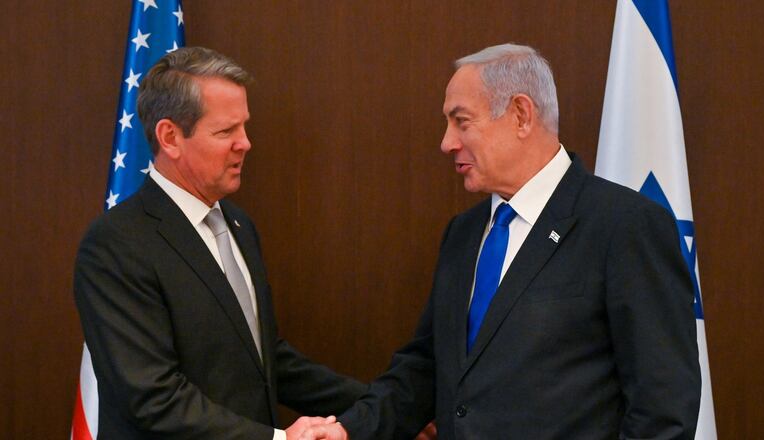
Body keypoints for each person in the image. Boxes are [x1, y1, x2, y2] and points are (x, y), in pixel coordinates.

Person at [300, 44, 702, 440]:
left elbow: (663, 408)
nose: (446, 143)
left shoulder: (624, 225)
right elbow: (427, 368)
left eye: (462, 121)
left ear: (521, 115)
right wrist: (348, 430)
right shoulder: (464, 233)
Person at [73, 47, 367, 439]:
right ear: (170, 137)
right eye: (226, 131)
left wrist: (380, 408)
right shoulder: (115, 245)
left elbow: (263, 359)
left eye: (244, 127)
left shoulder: (239, 224)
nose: (245, 143)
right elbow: (153, 397)